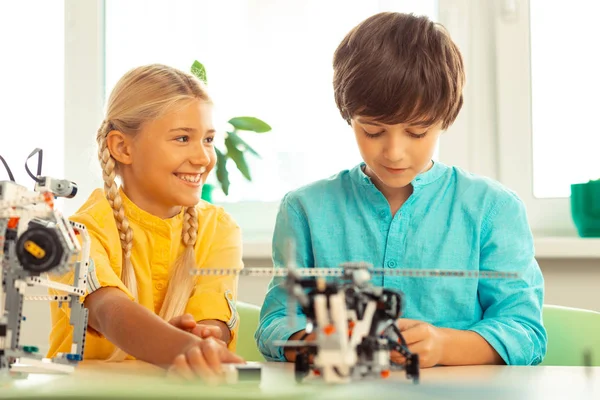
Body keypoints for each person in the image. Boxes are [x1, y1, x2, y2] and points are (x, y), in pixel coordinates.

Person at [255, 12, 547, 367]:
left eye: (417, 132)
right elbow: (275, 323)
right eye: (373, 131)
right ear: (349, 116)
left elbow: (524, 330)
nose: (394, 152)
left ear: (445, 118)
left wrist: (443, 346)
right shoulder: (304, 209)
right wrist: (314, 342)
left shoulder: (493, 209)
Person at [48, 64, 244, 382]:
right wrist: (179, 346)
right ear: (123, 147)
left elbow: (215, 318)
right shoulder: (78, 233)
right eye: (182, 138)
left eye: (208, 139)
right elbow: (109, 311)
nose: (204, 157)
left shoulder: (220, 229)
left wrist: (206, 337)